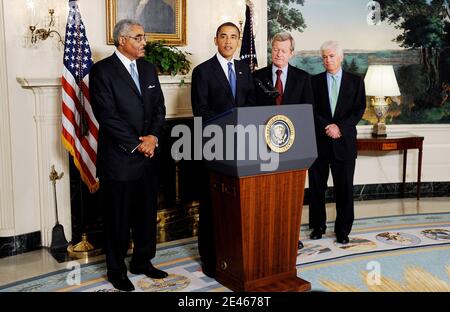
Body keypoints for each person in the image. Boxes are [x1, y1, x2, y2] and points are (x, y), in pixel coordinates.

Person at [90, 19, 167, 292]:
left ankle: (142, 261)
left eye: (143, 37)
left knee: (146, 215)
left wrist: (153, 138)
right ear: (121, 40)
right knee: (118, 219)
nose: (144, 42)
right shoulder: (101, 71)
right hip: (120, 159)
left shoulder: (148, 68)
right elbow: (107, 116)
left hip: (148, 157)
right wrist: (137, 144)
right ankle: (117, 270)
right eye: (138, 37)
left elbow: (159, 107)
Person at [191, 22, 255, 277]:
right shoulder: (203, 71)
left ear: (239, 41)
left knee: (236, 206)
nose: (228, 42)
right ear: (215, 40)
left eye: (233, 37)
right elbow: (201, 110)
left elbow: (250, 103)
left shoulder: (244, 70)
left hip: (242, 148)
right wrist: (228, 129)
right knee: (212, 206)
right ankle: (210, 260)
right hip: (215, 148)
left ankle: (234, 256)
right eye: (223, 37)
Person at [252, 32, 314, 250]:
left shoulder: (303, 78)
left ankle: (289, 236)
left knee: (290, 194)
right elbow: (251, 110)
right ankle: (266, 235)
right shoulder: (257, 76)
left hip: (292, 146)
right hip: (262, 145)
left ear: (291, 53)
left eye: (283, 50)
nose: (279, 54)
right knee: (265, 193)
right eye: (275, 49)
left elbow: (308, 112)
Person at [308, 41, 366, 245]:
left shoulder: (356, 82)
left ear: (340, 57)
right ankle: (317, 226)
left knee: (344, 189)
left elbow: (359, 109)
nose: (327, 60)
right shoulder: (313, 82)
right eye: (324, 56)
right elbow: (311, 109)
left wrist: (339, 127)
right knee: (316, 188)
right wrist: (328, 127)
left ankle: (343, 230)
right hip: (319, 142)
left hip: (344, 143)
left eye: (331, 56)